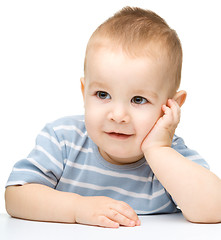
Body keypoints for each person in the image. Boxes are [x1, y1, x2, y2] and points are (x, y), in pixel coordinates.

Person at [5, 6, 221, 228]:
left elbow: (215, 209)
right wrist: (78, 208)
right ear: (84, 92)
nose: (118, 116)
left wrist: (158, 150)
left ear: (171, 106)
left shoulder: (171, 156)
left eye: (138, 99)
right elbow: (16, 196)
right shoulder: (63, 141)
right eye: (102, 94)